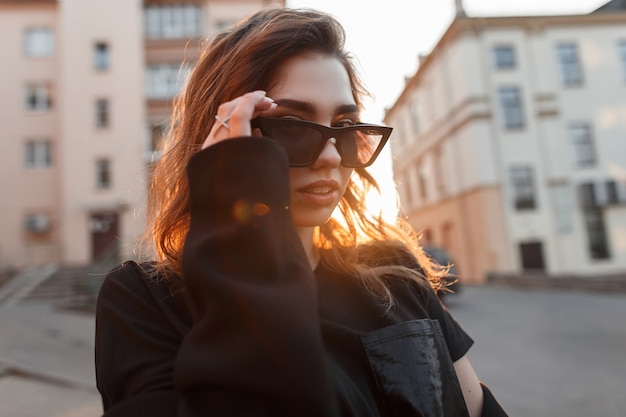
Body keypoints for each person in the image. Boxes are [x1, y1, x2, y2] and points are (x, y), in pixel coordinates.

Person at [95, 7, 508, 417]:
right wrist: (242, 234)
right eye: (291, 125)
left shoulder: (395, 275)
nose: (331, 156)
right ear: (221, 139)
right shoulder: (145, 302)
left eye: (345, 127)